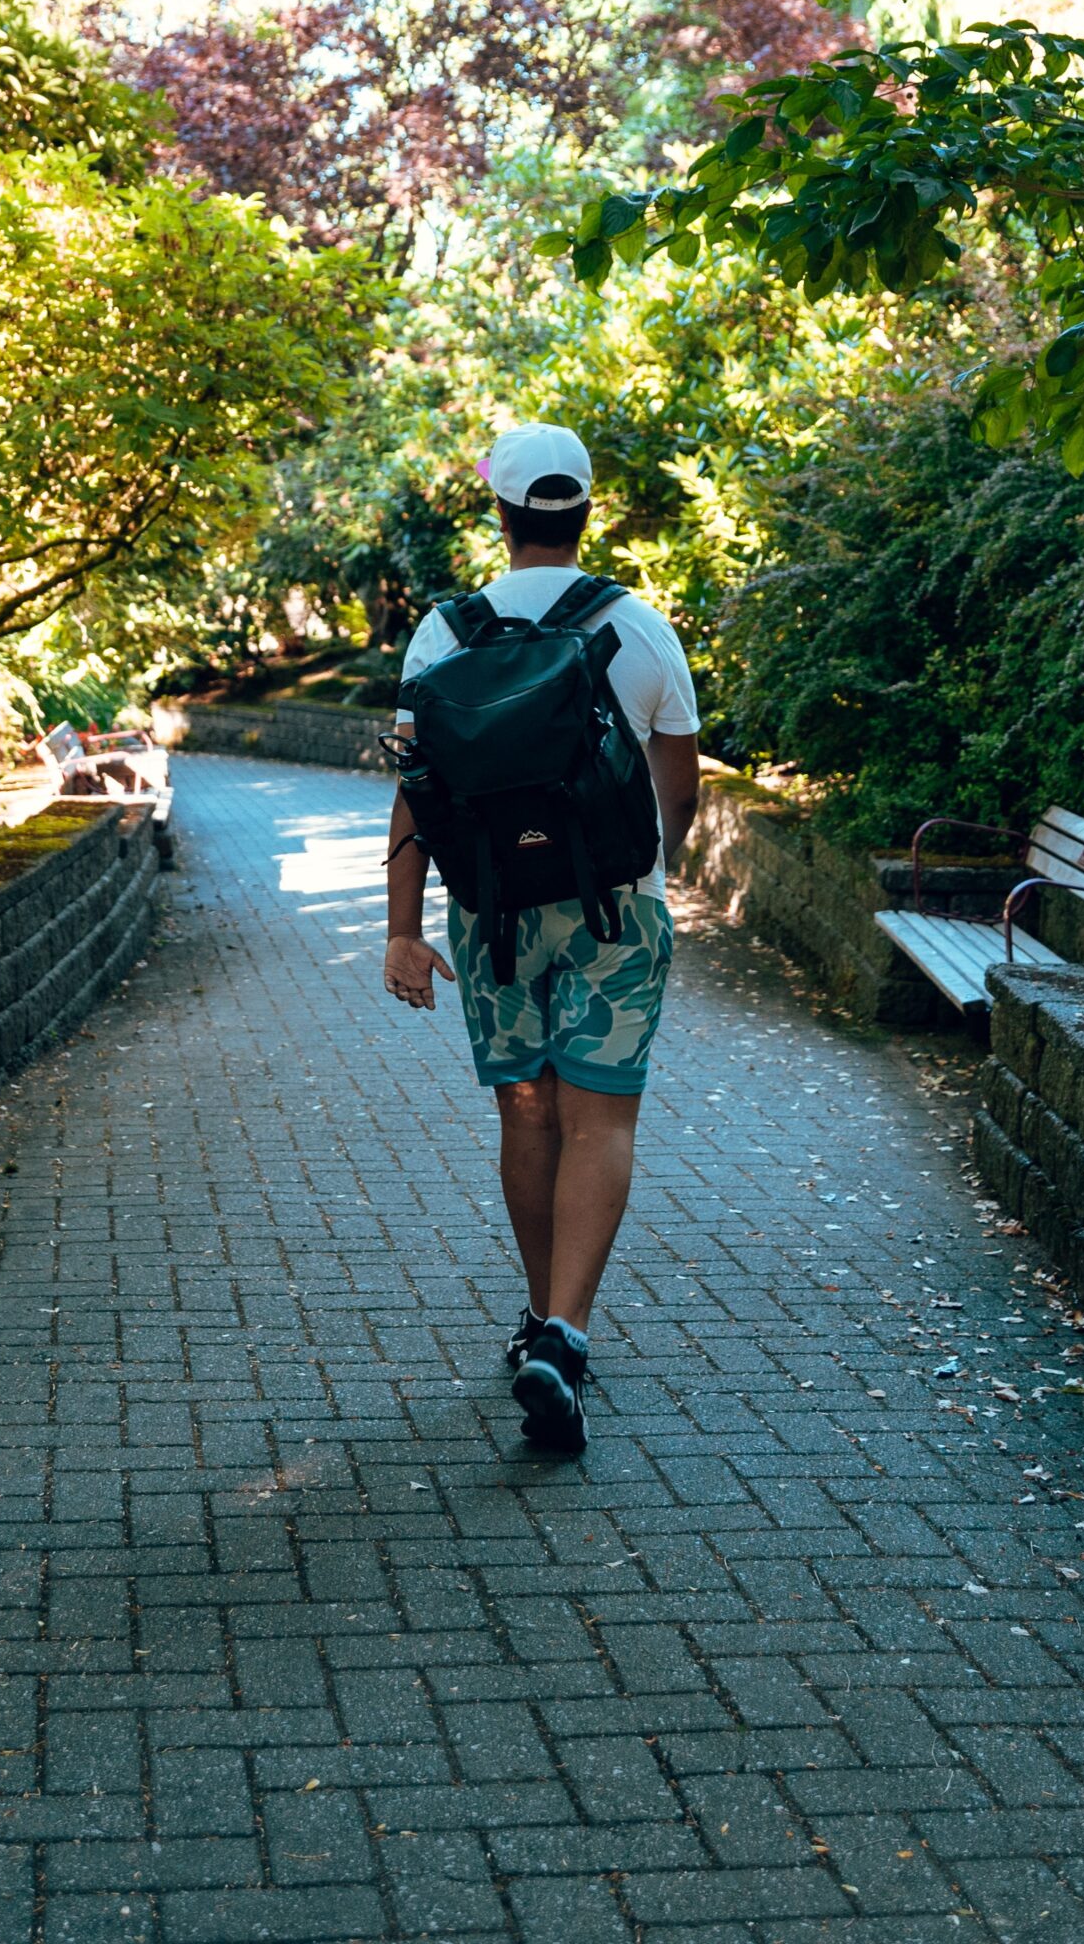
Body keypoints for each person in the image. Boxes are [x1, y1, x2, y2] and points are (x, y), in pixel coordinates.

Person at [380, 422, 701, 1454]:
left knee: (527, 1117)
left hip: (491, 914)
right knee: (599, 1124)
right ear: (585, 510)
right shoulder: (642, 626)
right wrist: (649, 875)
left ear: (501, 513)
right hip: (615, 906)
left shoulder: (443, 633)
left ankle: (538, 1323)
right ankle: (565, 1334)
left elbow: (415, 790)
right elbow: (679, 790)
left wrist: (400, 931)